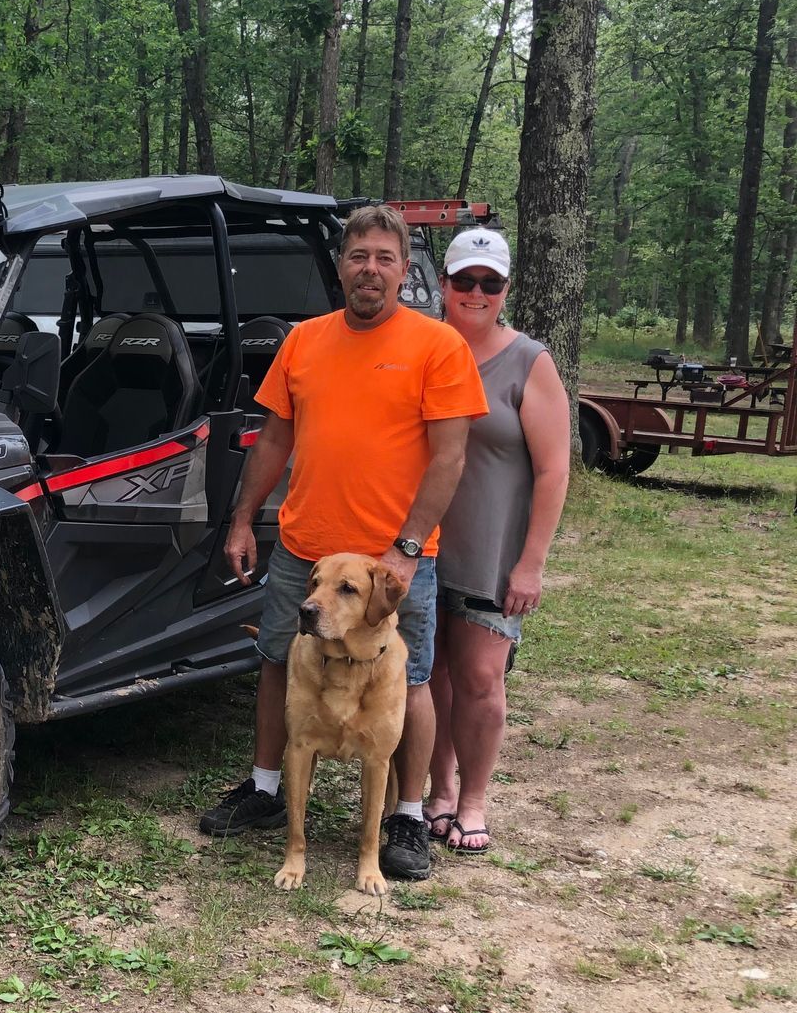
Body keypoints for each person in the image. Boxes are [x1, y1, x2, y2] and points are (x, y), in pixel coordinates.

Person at [198, 204, 489, 884]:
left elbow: (450, 457)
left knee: (410, 679)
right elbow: (275, 437)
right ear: (340, 267)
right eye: (359, 256)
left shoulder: (437, 346)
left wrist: (406, 549)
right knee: (278, 660)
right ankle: (266, 788)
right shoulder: (304, 341)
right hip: (307, 553)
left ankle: (407, 816)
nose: (370, 270)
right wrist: (242, 520)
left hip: (394, 561)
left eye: (385, 258)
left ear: (405, 270)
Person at [425, 229, 570, 854]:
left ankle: (474, 800)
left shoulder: (529, 361)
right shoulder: (423, 347)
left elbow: (554, 469)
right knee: (429, 675)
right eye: (465, 280)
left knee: (481, 677)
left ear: (507, 290)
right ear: (443, 284)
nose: (476, 292)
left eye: (490, 282)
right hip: (420, 546)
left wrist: (531, 563)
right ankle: (439, 790)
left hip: (491, 552)